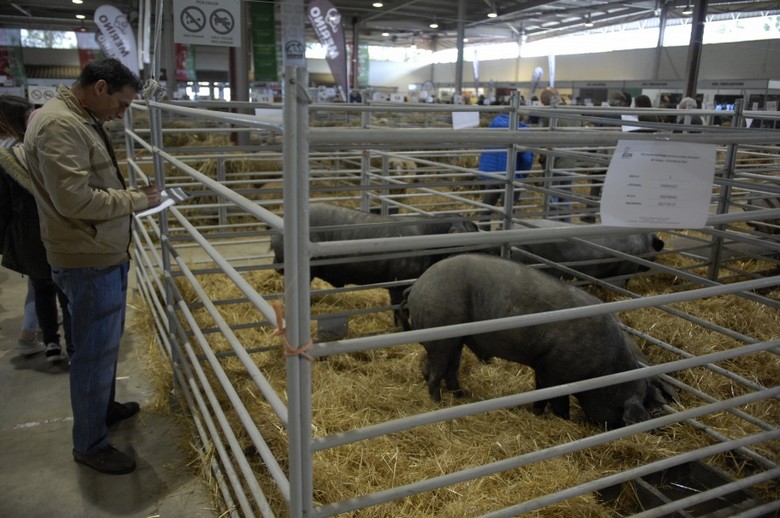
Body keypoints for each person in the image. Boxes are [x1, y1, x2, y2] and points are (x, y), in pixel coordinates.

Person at [24, 58, 162, 475]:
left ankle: (101, 409)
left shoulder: (78, 118)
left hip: (96, 250)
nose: (122, 114)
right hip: (86, 257)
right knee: (92, 352)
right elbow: (74, 199)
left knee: (101, 345)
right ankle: (89, 444)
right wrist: (138, 200)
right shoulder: (60, 124)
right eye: (121, 104)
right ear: (100, 87)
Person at [0, 95, 72, 363]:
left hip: (28, 233)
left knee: (41, 286)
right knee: (64, 290)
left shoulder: (10, 154)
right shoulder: (41, 146)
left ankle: (50, 342)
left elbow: (5, 205)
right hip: (54, 227)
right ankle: (67, 345)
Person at [0, 96, 45, 356]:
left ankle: (37, 327)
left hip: (21, 224)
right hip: (26, 223)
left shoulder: (13, 146)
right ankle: (28, 334)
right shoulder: (12, 151)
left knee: (39, 280)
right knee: (41, 280)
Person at [477, 112, 534, 227]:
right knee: (508, 206)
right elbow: (527, 157)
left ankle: (483, 230)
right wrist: (524, 172)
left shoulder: (495, 124)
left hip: (492, 171)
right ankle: (504, 230)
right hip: (510, 171)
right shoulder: (521, 129)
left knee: (488, 203)